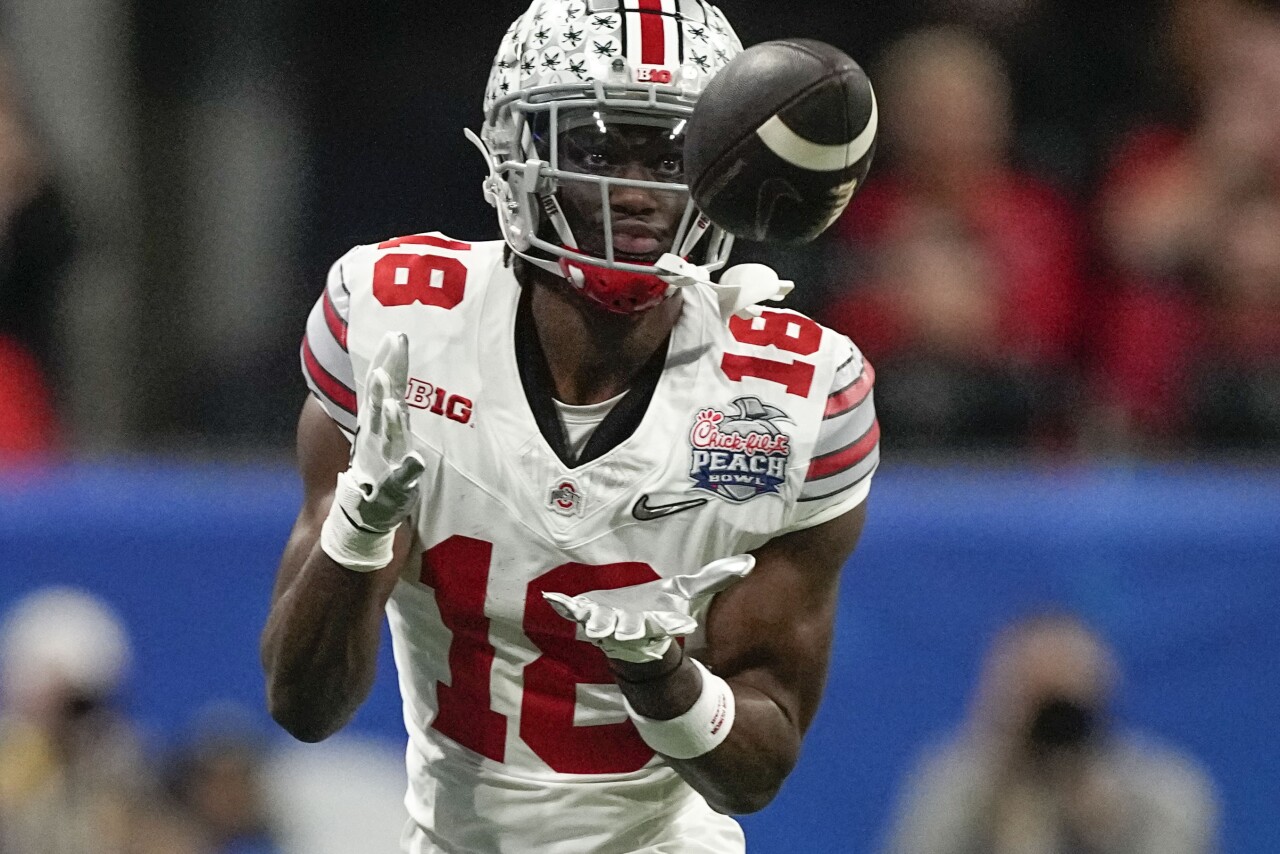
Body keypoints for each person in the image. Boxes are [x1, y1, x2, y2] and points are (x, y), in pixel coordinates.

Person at [260, 1, 879, 852]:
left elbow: (758, 770)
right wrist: (358, 531)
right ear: (516, 156)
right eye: (595, 150)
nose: (635, 190)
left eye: (668, 153)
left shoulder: (791, 397)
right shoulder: (399, 329)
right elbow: (303, 706)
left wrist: (661, 677)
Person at [881, 612, 1218, 854]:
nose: (1050, 722)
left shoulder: (1165, 787)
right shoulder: (956, 780)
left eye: (1062, 702)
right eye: (1034, 697)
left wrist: (1109, 832)